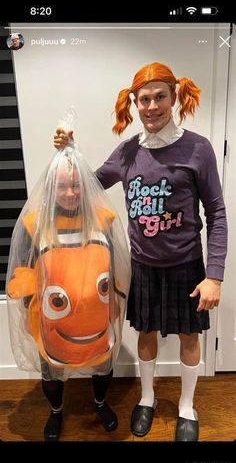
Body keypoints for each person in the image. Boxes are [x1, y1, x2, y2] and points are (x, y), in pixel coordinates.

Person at [54, 62, 228, 441]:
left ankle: (186, 406)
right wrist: (70, 150)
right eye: (143, 99)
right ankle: (147, 399)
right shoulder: (129, 151)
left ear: (174, 96)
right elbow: (91, 184)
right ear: (135, 103)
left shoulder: (198, 148)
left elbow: (216, 212)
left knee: (188, 336)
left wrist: (214, 274)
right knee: (145, 333)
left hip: (187, 265)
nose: (151, 107)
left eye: (159, 97)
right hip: (143, 266)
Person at [7, 148, 130, 441]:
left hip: (97, 318)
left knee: (103, 365)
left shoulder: (103, 219)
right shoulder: (34, 223)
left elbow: (116, 263)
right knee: (51, 372)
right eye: (62, 185)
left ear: (85, 186)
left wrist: (116, 296)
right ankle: (56, 411)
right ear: (52, 187)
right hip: (53, 323)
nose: (71, 192)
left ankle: (100, 403)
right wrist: (27, 299)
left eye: (76, 184)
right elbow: (23, 267)